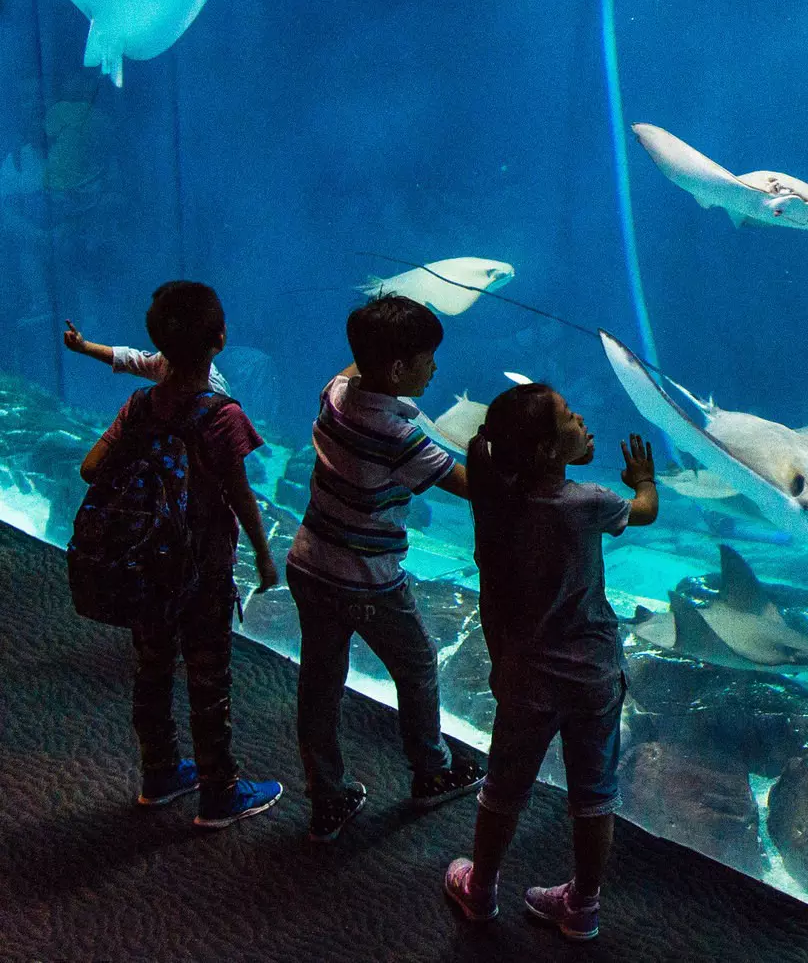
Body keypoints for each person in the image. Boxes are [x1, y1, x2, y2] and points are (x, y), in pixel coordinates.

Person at [444, 384, 658, 940]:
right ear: (545, 451)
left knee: (504, 789)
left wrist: (500, 663)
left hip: (526, 679)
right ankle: (582, 905)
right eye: (568, 416)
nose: (582, 416)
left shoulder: (495, 505)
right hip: (592, 676)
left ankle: (481, 887)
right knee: (594, 796)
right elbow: (644, 512)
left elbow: (493, 599)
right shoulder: (589, 502)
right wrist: (644, 480)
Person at [77, 281, 284, 827]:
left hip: (145, 566)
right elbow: (241, 496)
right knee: (209, 678)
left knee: (151, 669)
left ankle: (160, 773)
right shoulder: (223, 415)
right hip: (203, 571)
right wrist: (264, 556)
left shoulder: (142, 404)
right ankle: (220, 793)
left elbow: (90, 469)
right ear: (220, 339)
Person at [285, 295, 484, 842]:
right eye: (427, 358)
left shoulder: (335, 394)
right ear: (399, 368)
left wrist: (381, 328)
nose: (435, 368)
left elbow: (357, 366)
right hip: (367, 581)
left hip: (309, 561)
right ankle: (432, 770)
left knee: (320, 683)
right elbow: (469, 486)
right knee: (417, 664)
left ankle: (326, 796)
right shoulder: (399, 436)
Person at [64, 319, 228, 394]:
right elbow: (129, 359)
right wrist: (84, 347)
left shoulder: (217, 393)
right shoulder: (164, 363)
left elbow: (130, 359)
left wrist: (84, 347)